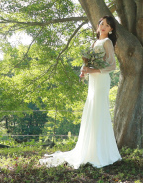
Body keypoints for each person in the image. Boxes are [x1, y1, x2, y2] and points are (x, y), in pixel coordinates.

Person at [40, 15, 122, 169]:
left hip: (102, 81)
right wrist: (84, 70)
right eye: (101, 23)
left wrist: (93, 69)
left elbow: (112, 66)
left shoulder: (107, 42)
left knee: (99, 111)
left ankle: (100, 151)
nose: (103, 26)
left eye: (107, 25)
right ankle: (89, 148)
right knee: (92, 110)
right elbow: (90, 63)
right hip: (93, 81)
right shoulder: (95, 42)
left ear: (111, 29)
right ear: (98, 26)